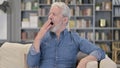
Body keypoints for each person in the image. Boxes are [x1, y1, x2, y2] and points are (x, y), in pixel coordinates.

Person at [27, 2, 105, 68]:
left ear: (65, 20)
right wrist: (38, 37)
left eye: (54, 14)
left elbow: (99, 51)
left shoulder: (74, 38)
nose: (50, 17)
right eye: (49, 14)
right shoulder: (42, 38)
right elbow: (31, 63)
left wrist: (84, 61)